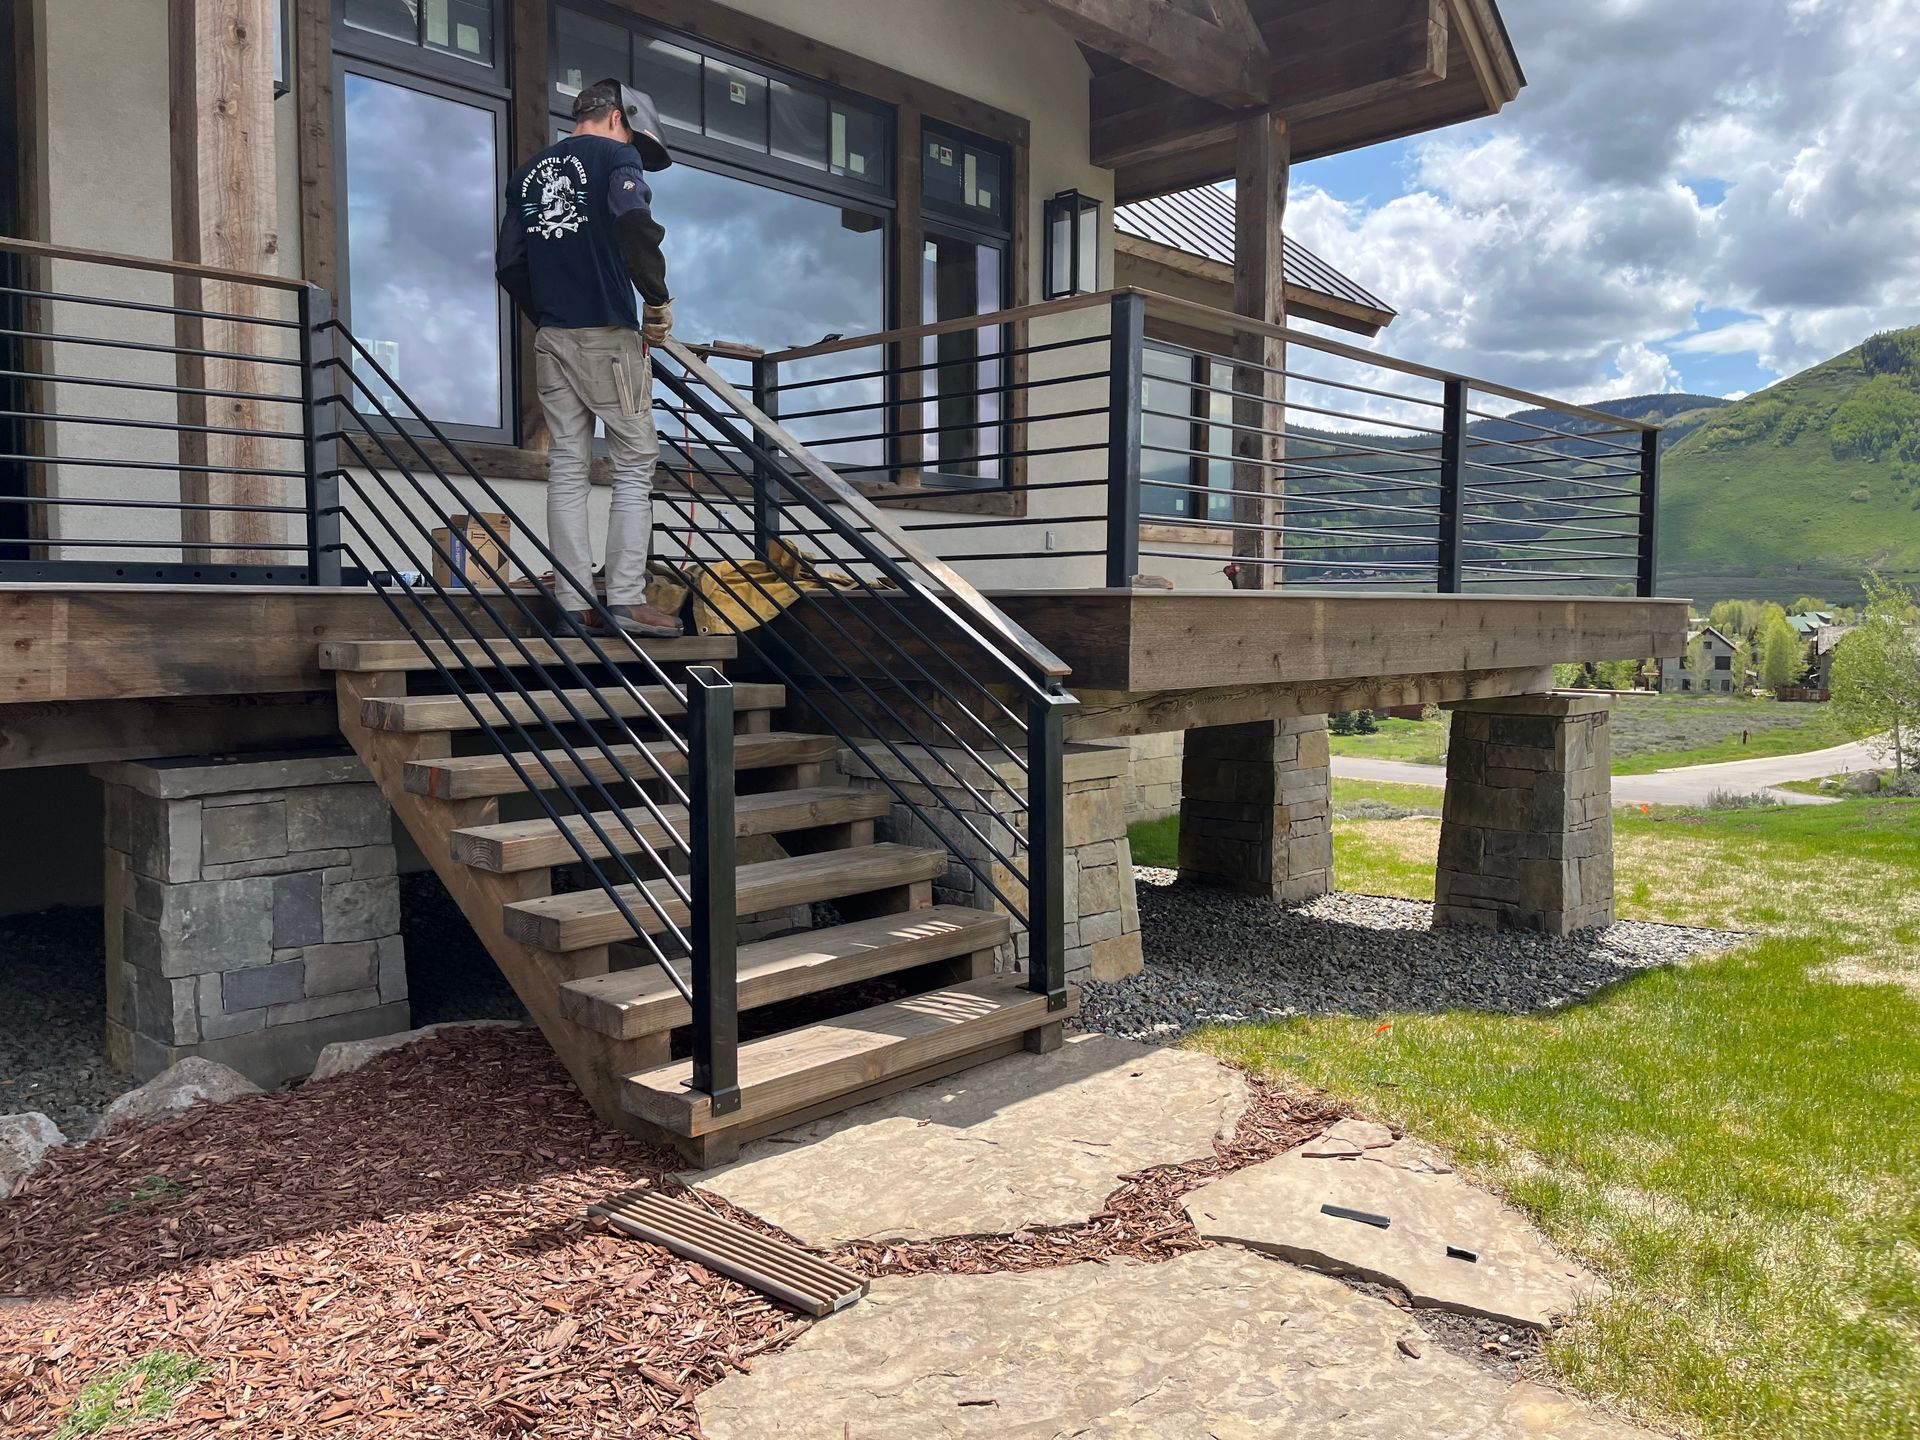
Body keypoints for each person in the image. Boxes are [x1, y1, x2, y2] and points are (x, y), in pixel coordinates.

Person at [495, 79, 682, 638]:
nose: (636, 151)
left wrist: (553, 312)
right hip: (608, 335)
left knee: (568, 467)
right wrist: (656, 297)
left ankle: (573, 603)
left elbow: (509, 264)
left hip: (552, 338)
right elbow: (633, 221)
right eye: (635, 137)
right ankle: (625, 598)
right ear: (619, 117)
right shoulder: (616, 156)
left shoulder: (528, 174)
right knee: (634, 463)